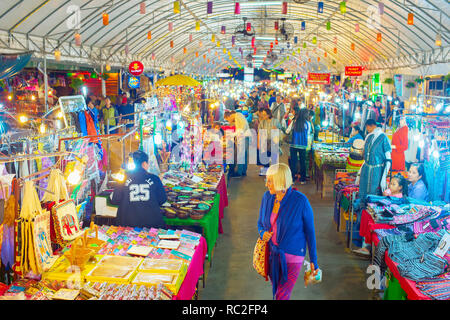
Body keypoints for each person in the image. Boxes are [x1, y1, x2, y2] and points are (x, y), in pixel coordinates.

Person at [257, 163, 319, 300]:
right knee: (278, 292)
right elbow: (260, 223)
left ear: (280, 181)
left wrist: (314, 259)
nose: (267, 184)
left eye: (270, 181)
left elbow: (310, 233)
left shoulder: (301, 201)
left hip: (293, 257)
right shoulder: (267, 198)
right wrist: (262, 233)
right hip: (273, 255)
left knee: (282, 294)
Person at [111, 150, 168, 228]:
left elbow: (115, 200)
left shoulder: (122, 179)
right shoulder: (155, 178)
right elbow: (162, 199)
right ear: (144, 164)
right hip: (151, 224)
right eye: (147, 163)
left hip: (127, 224)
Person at [224, 110, 251, 177]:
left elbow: (241, 129)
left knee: (241, 155)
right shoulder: (237, 117)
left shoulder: (238, 115)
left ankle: (239, 172)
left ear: (229, 116)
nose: (229, 121)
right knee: (243, 155)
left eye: (227, 120)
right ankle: (243, 172)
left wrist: (232, 135)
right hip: (244, 137)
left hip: (243, 137)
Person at [288, 109, 311, 184]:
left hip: (293, 144)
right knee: (302, 162)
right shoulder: (307, 123)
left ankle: (293, 179)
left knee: (293, 162)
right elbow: (308, 134)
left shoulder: (294, 122)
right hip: (303, 145)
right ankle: (303, 179)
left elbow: (287, 131)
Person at [258, 108, 280, 175]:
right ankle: (266, 171)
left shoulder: (275, 121)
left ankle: (273, 172)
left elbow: (281, 130)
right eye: (262, 114)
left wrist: (277, 129)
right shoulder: (262, 122)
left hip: (273, 141)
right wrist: (258, 143)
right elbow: (259, 133)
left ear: (269, 114)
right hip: (265, 141)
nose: (263, 116)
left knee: (274, 156)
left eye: (264, 115)